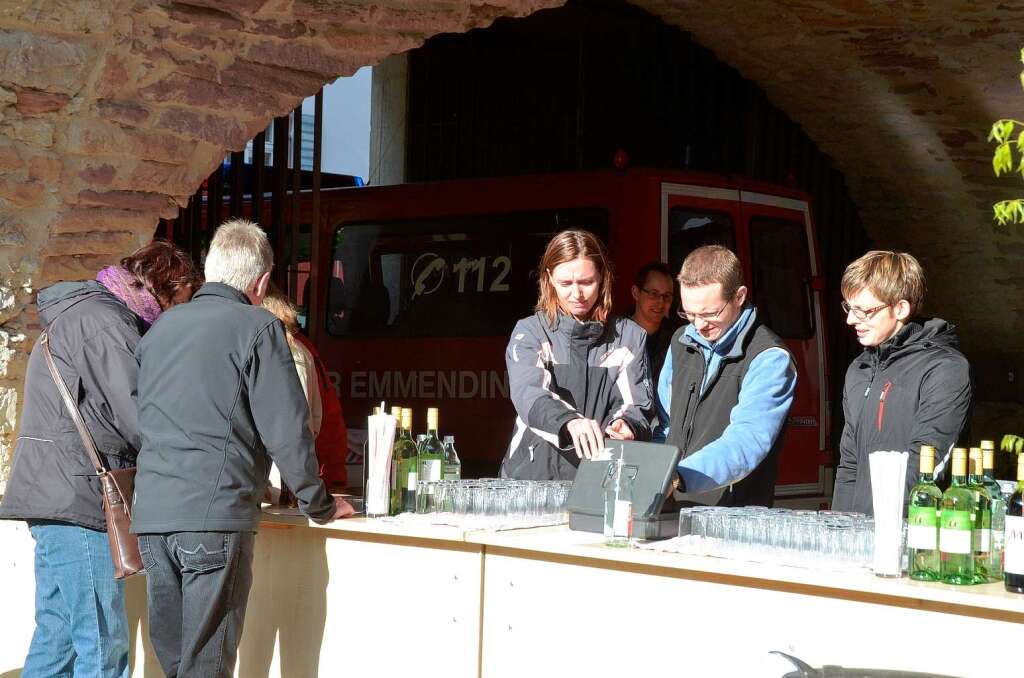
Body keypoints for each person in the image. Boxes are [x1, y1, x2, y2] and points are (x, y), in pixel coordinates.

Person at [130, 219, 354, 678]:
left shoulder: (159, 330)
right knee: (206, 666)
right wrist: (321, 504)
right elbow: (287, 429)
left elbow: (141, 420)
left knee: (176, 666)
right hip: (214, 517)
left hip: (153, 519)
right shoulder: (258, 327)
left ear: (210, 270)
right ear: (262, 281)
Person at [0, 241, 201, 678]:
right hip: (79, 498)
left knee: (57, 643)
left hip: (58, 494)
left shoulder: (91, 314)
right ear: (171, 287)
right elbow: (142, 415)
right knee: (102, 645)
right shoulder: (106, 323)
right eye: (181, 304)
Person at [501, 230, 654, 480]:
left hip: (599, 477)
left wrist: (627, 425)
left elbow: (637, 405)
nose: (577, 294)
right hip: (531, 479)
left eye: (586, 282)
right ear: (549, 279)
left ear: (602, 277)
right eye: (565, 284)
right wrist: (570, 422)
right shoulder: (529, 331)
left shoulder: (629, 337)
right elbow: (529, 393)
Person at [831, 251, 971, 515]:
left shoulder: (944, 369)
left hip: (914, 530)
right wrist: (839, 529)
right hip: (858, 536)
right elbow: (850, 463)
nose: (851, 320)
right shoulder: (858, 369)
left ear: (901, 309)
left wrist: (883, 529)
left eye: (865, 311)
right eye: (849, 308)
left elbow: (926, 464)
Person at [656, 245, 797, 507]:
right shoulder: (680, 340)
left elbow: (747, 441)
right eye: (689, 313)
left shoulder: (770, 357)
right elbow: (664, 422)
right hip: (669, 505)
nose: (698, 324)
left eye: (710, 313)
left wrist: (678, 477)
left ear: (740, 296)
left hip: (732, 515)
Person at [263, 285, 349, 489]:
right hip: (318, 472)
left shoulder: (289, 352)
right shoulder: (298, 347)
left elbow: (298, 428)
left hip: (311, 476)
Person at [630, 261, 677, 387]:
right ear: (636, 293)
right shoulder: (617, 336)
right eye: (654, 294)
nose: (660, 302)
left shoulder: (676, 339)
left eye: (667, 296)